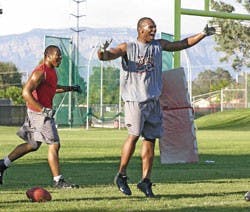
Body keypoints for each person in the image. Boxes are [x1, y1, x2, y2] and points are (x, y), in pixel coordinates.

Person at [97, 17, 216, 197]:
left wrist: (203, 34)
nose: (153, 30)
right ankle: (121, 174)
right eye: (150, 28)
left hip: (153, 100)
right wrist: (101, 51)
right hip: (135, 100)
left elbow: (182, 44)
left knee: (151, 140)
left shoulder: (158, 45)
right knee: (134, 135)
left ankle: (145, 181)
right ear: (140, 29)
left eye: (155, 27)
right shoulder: (128, 47)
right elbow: (107, 56)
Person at [0, 45, 82, 188]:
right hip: (40, 114)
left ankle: (3, 164)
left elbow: (52, 88)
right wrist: (43, 110)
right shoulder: (40, 72)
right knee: (54, 144)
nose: (60, 58)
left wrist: (70, 88)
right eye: (58, 55)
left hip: (38, 112)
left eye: (61, 55)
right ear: (48, 56)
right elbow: (26, 93)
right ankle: (58, 181)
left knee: (33, 145)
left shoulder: (52, 72)